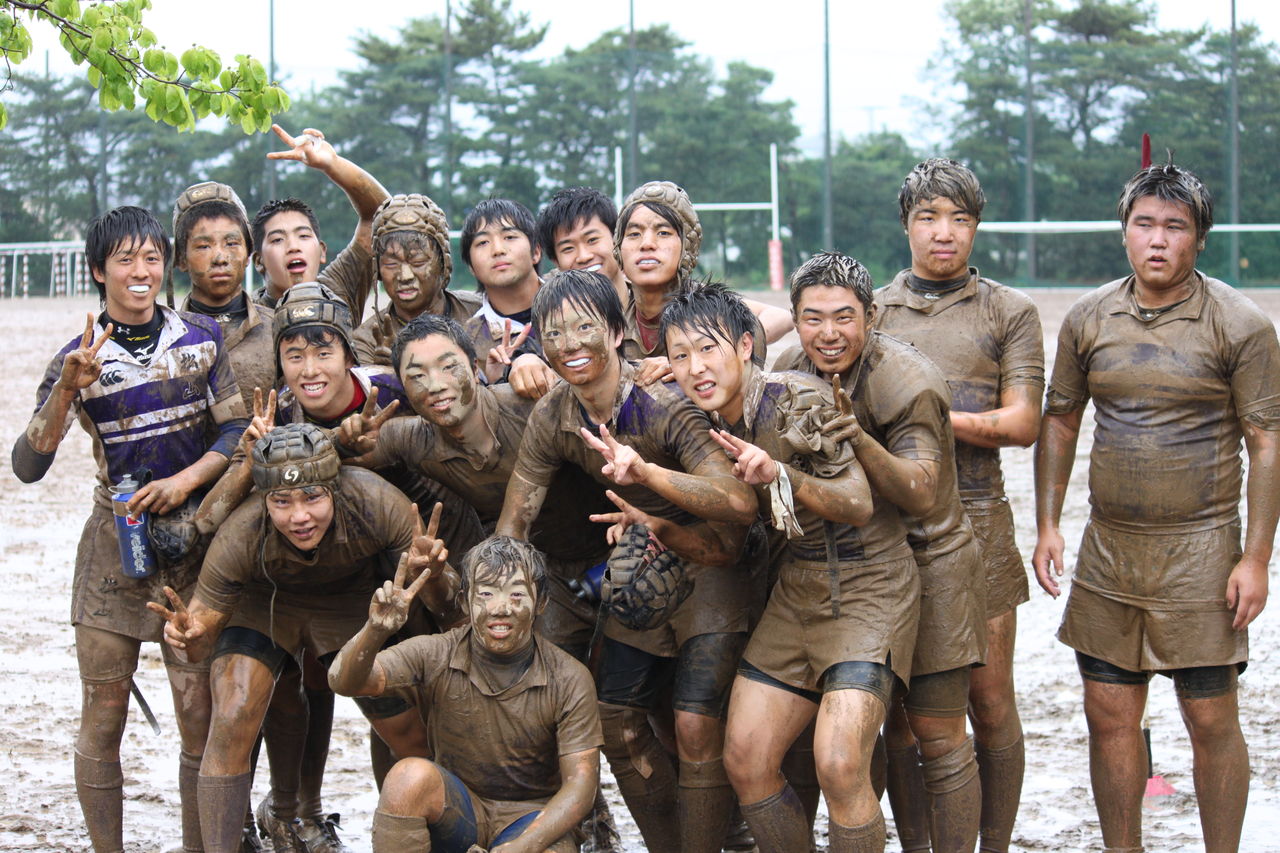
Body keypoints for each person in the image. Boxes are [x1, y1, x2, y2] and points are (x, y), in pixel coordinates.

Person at [1032, 162, 1280, 853]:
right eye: (1145, 224)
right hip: (1109, 550)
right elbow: (1059, 420)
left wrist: (1255, 558)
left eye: (1175, 226)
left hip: (1202, 549)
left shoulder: (1241, 323)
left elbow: (1266, 441)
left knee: (1209, 717)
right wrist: (1049, 524)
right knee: (1108, 711)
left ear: (1200, 237)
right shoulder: (1089, 317)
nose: (1158, 240)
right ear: (1124, 233)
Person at [11, 206, 248, 853]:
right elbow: (28, 463)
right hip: (114, 546)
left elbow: (232, 430)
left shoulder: (200, 337)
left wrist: (186, 480)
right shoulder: (79, 358)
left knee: (199, 716)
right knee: (105, 711)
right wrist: (67, 390)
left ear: (163, 265)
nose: (140, 271)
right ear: (98, 270)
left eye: (150, 258)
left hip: (193, 540)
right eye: (124, 259)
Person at [496, 268, 757, 853]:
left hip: (716, 560)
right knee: (615, 722)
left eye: (585, 327)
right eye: (554, 333)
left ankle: (721, 841)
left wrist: (647, 475)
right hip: (641, 561)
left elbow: (739, 503)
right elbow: (516, 519)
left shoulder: (661, 403)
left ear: (617, 332)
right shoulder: (556, 415)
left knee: (693, 725)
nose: (570, 345)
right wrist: (493, 590)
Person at [659, 280, 919, 853]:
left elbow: (857, 504)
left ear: (746, 346)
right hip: (798, 587)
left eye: (709, 349)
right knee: (745, 756)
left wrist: (781, 474)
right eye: (680, 356)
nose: (696, 368)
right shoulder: (709, 415)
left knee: (839, 761)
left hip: (869, 585)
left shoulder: (793, 398)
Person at [150, 422, 462, 853]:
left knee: (409, 729)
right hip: (265, 606)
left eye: (313, 497)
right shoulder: (242, 531)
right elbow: (202, 631)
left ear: (335, 488)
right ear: (264, 500)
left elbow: (447, 611)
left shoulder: (376, 502)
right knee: (233, 713)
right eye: (282, 501)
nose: (300, 516)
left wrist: (436, 573)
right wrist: (188, 635)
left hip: (351, 605)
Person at [775, 250, 986, 852]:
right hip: (858, 570)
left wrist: (859, 439)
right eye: (813, 318)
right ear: (795, 318)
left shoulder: (906, 378)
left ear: (872, 315)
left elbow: (920, 493)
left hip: (931, 557)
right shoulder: (791, 368)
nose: (829, 333)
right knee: (866, 733)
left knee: (939, 734)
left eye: (844, 317)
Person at [873, 158, 1043, 852]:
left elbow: (1023, 422)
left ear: (976, 227)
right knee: (906, 709)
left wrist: (930, 415)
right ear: (907, 224)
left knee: (989, 696)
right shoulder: (875, 309)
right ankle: (918, 843)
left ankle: (992, 842)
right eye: (929, 217)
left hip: (978, 516)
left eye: (960, 219)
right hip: (890, 525)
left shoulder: (1010, 311)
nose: (945, 233)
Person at [328, 536, 602, 853]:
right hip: (459, 808)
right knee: (407, 777)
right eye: (485, 594)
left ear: (540, 602)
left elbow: (581, 787)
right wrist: (375, 631)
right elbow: (344, 682)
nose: (500, 608)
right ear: (465, 601)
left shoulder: (568, 677)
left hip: (530, 817)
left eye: (516, 595)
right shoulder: (436, 653)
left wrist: (522, 847)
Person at [250, 125, 388, 312]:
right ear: (259, 261)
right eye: (277, 239)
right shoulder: (246, 315)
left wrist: (333, 164)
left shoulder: (338, 291)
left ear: (322, 251)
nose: (293, 247)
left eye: (304, 236)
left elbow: (381, 216)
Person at [536, 186, 627, 305]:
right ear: (556, 261)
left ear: (616, 239)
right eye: (568, 248)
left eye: (592, 240)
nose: (584, 257)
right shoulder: (548, 319)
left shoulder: (652, 305)